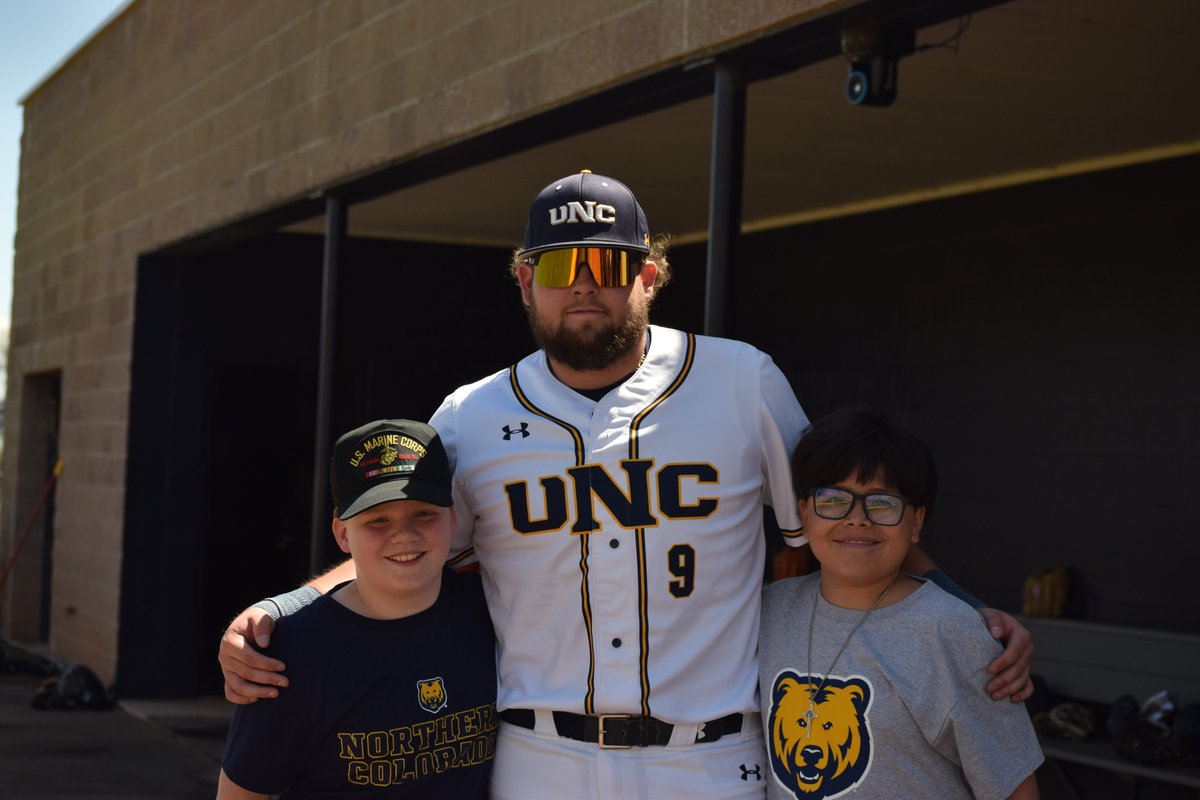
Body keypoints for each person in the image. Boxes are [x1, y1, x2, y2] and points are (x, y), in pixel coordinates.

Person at [218, 171, 1034, 799]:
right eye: (558, 265)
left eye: (607, 263)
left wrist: (967, 615)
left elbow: (843, 526)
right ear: (523, 279)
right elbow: (403, 542)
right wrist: (280, 613)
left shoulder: (741, 380)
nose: (583, 284)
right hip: (539, 759)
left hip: (712, 760)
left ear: (649, 274)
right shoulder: (470, 415)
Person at [760, 407, 1042, 800]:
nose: (857, 518)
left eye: (881, 503)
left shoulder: (952, 631)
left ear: (916, 523)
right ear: (804, 513)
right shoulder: (769, 611)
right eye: (833, 499)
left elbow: (1016, 791)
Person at [217, 419, 497, 799]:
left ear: (452, 518)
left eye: (423, 514)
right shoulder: (291, 655)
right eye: (377, 520)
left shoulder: (490, 609)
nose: (404, 535)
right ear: (342, 533)